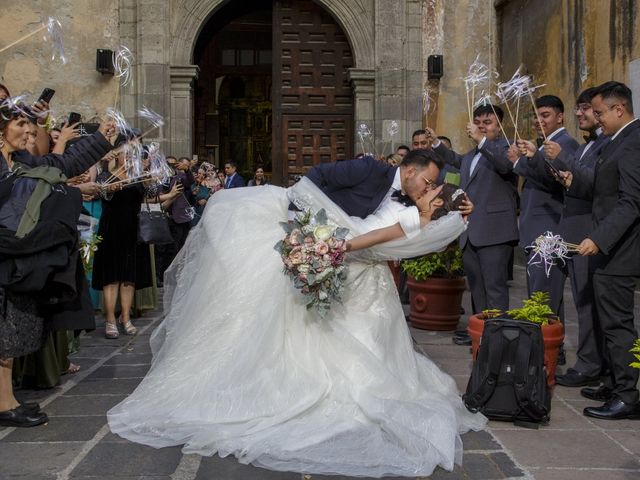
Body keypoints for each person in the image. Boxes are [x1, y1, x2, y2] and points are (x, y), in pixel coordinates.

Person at [107, 159, 484, 477]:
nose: (429, 186)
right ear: (410, 169)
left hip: (359, 276)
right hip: (335, 255)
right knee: (305, 331)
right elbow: (320, 178)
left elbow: (396, 231)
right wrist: (307, 227)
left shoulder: (414, 214)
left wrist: (451, 209)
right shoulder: (375, 174)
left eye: (435, 186)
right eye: (428, 180)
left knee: (355, 343)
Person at [0, 101, 115, 427]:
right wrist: (72, 191)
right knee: (3, 332)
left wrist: (101, 140)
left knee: (7, 333)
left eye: (30, 125)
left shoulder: (19, 159)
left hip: (19, 256)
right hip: (7, 252)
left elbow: (58, 164)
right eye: (20, 125)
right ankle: (4, 402)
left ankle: (6, 399)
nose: (29, 131)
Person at [560, 81, 640, 420]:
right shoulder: (616, 140)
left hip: (620, 249)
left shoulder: (634, 141)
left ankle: (628, 396)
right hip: (608, 247)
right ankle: (613, 380)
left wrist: (600, 238)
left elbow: (631, 201)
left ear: (618, 109)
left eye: (600, 112)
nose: (596, 118)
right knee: (606, 320)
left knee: (619, 324)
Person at [542, 88, 610, 387]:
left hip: (590, 232)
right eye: (579, 108)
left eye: (586, 108)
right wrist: (569, 180)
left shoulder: (603, 145)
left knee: (589, 304)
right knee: (585, 302)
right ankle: (594, 362)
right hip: (576, 229)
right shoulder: (587, 145)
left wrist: (565, 159)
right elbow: (586, 182)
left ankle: (591, 364)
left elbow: (603, 184)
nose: (580, 114)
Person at [429, 104, 518, 319]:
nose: (481, 127)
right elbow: (457, 161)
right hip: (471, 232)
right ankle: (480, 334)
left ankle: (497, 339)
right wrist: (436, 144)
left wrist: (482, 140)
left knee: (494, 289)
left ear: (500, 125)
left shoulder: (508, 148)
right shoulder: (473, 154)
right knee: (477, 289)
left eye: (487, 123)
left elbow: (505, 166)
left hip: (495, 233)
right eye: (477, 123)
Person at [512, 95, 580, 324]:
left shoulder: (565, 144)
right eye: (536, 116)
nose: (538, 121)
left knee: (544, 296)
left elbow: (554, 180)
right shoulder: (543, 145)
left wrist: (524, 161)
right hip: (536, 228)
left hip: (549, 230)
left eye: (545, 115)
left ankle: (547, 348)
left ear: (560, 117)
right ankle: (551, 347)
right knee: (541, 294)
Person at [91, 136, 153, 339]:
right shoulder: (106, 175)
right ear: (116, 154)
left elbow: (151, 192)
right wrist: (109, 189)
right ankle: (110, 319)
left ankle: (125, 318)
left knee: (129, 277)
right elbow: (101, 193)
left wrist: (148, 174)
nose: (128, 156)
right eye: (125, 152)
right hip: (112, 229)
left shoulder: (138, 175)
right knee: (112, 276)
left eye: (131, 153)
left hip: (133, 229)